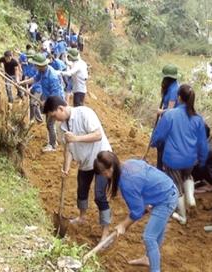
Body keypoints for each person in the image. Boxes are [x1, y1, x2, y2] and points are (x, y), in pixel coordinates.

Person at [94, 151, 178, 272]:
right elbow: (143, 182)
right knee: (157, 232)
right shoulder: (127, 164)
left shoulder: (127, 182)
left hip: (166, 198)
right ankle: (147, 258)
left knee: (149, 237)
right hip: (163, 190)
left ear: (111, 168)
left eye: (103, 173)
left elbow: (137, 211)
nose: (104, 176)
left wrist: (123, 225)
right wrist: (146, 203)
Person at [43, 96, 113, 242]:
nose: (55, 119)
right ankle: (82, 217)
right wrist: (66, 168)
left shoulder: (85, 113)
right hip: (85, 161)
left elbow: (98, 135)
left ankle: (105, 232)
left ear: (61, 108)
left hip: (101, 158)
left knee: (100, 195)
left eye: (55, 115)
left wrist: (76, 138)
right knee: (81, 190)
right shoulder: (62, 126)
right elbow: (68, 148)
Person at [151, 84, 208, 225]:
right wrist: (202, 159)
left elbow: (160, 136)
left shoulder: (170, 114)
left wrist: (155, 143)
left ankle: (182, 216)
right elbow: (203, 143)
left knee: (176, 185)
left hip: (173, 160)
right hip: (190, 160)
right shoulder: (198, 119)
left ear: (179, 98)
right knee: (188, 176)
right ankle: (191, 199)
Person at [19, 54, 64, 152]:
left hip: (55, 102)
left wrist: (46, 103)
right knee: (49, 122)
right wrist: (22, 83)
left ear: (41, 65)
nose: (34, 66)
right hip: (48, 98)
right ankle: (53, 141)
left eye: (36, 65)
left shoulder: (52, 76)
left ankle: (53, 145)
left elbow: (55, 95)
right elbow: (35, 79)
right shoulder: (42, 71)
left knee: (50, 123)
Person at [155, 64, 180, 171]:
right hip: (166, 121)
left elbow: (170, 111)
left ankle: (161, 169)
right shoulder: (170, 87)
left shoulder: (174, 90)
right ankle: (160, 168)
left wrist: (160, 112)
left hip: (171, 123)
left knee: (162, 145)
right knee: (160, 145)